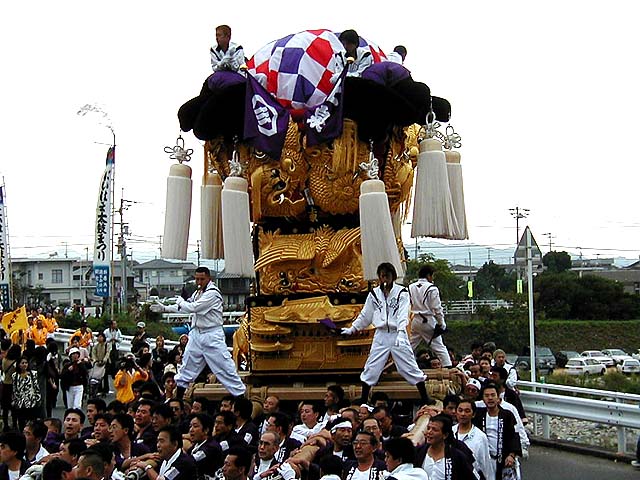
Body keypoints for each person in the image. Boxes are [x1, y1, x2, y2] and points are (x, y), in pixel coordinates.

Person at [341, 263, 432, 405]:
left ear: (393, 276)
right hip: (381, 334)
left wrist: (402, 333)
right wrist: (352, 328)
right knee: (372, 365)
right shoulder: (374, 294)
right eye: (382, 275)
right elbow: (366, 315)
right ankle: (364, 398)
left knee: (409, 365)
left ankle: (425, 397)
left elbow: (403, 314)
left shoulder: (402, 292)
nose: (384, 278)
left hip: (397, 333)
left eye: (387, 275)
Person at [152, 266, 246, 398]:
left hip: (212, 334)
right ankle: (178, 399)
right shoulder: (198, 293)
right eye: (197, 279)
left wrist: (180, 300)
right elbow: (185, 307)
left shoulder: (212, 293)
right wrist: (165, 308)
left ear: (209, 278)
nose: (199, 282)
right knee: (186, 367)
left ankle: (240, 397)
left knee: (225, 368)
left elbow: (193, 307)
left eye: (202, 279)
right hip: (197, 333)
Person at [473, 383, 521, 480]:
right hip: (485, 459)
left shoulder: (507, 415)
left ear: (498, 398)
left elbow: (514, 436)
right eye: (486, 396)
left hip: (503, 458)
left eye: (493, 395)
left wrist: (511, 455)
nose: (490, 398)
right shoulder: (478, 415)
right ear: (482, 399)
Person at [408, 265, 451, 368]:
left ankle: (401, 364)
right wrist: (441, 324)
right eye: (432, 276)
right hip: (427, 320)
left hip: (414, 320)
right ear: (428, 275)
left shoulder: (410, 287)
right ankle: (448, 366)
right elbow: (437, 308)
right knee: (439, 346)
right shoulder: (432, 288)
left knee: (409, 345)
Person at [131, 426, 196, 480]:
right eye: (157, 441)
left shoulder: (184, 462)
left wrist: (146, 466)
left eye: (162, 441)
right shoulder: (164, 459)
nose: (158, 445)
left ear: (175, 444)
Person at [453, 400, 490, 480]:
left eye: (467, 411)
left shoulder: (480, 437)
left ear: (473, 414)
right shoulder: (449, 432)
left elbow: (484, 464)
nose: (463, 414)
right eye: (460, 410)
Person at [12, 356, 42, 430]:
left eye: (26, 363)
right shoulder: (15, 375)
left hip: (31, 402)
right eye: (22, 363)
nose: (24, 365)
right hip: (20, 403)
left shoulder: (33, 374)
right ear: (19, 364)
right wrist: (15, 401)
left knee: (32, 423)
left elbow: (36, 387)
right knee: (21, 423)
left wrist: (38, 399)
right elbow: (14, 389)